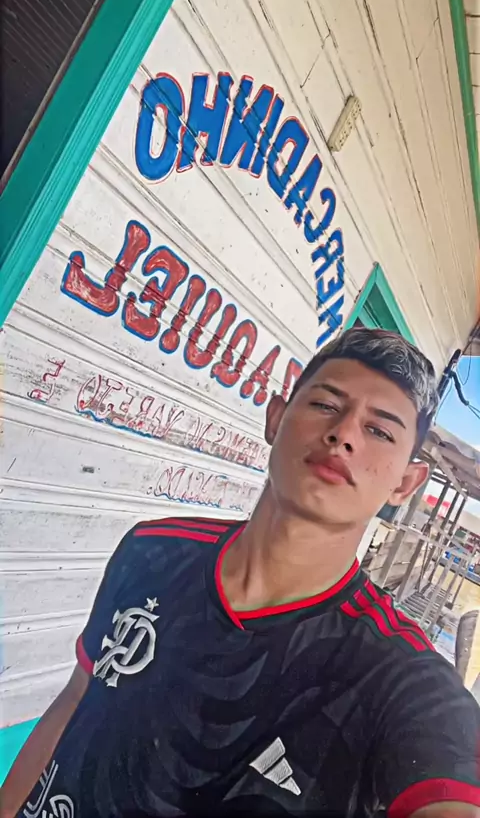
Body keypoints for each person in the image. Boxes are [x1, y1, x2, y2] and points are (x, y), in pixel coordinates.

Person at [2, 328, 479, 818]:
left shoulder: (402, 680)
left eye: (379, 431)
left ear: (405, 483)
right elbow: (76, 698)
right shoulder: (153, 550)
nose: (344, 435)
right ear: (276, 418)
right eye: (325, 404)